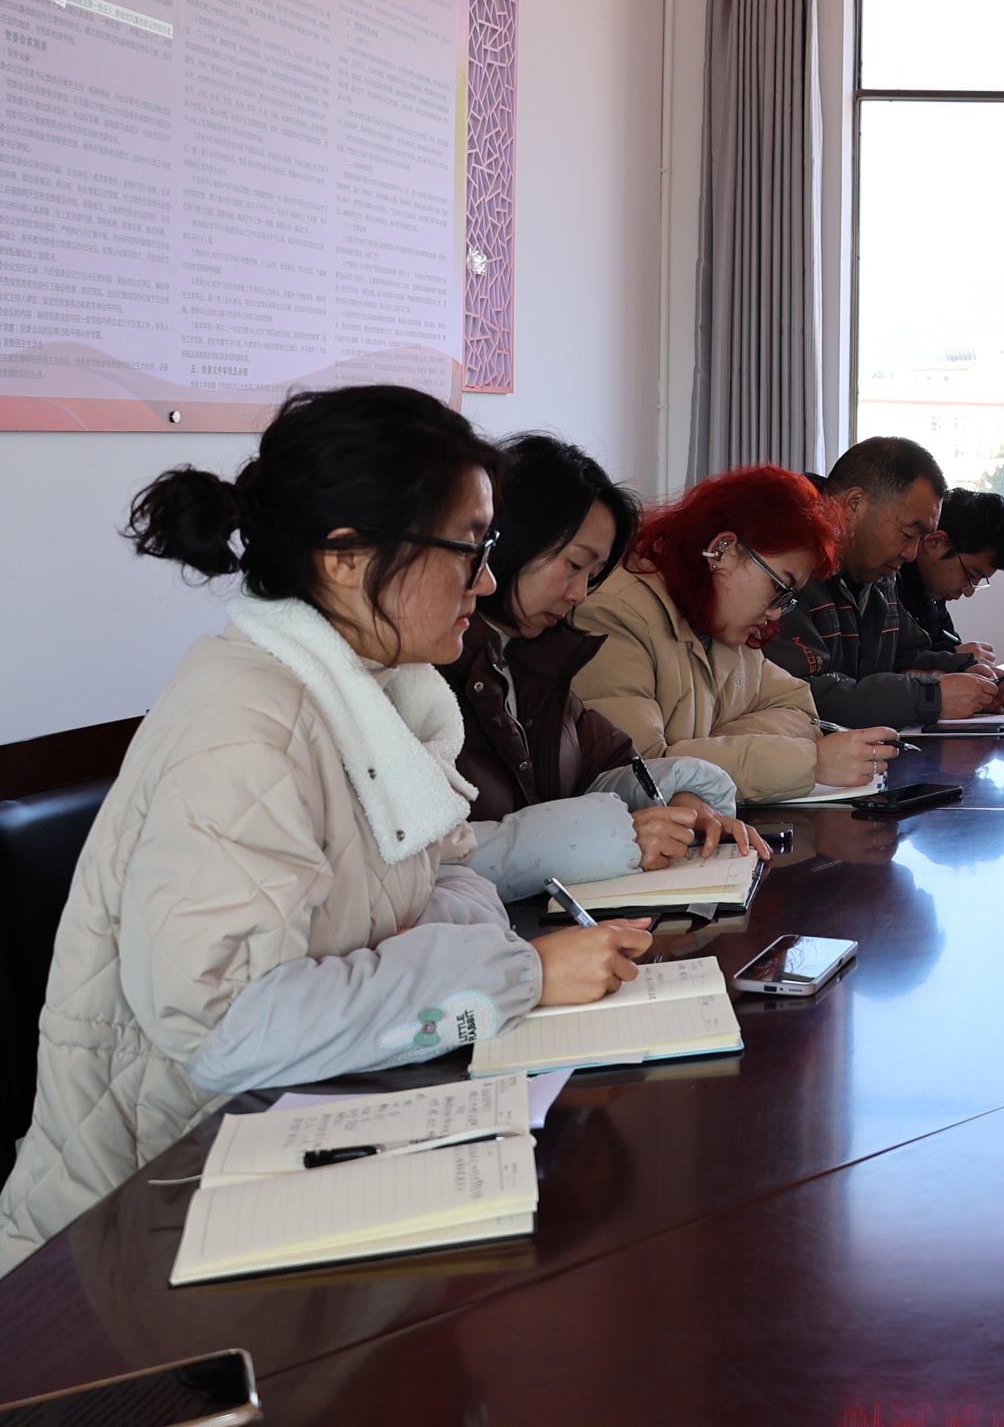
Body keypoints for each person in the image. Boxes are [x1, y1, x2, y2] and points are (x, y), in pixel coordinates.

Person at [0, 387, 652, 1273]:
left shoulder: (379, 693)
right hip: (143, 1222)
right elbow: (232, 1031)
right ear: (346, 557)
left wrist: (437, 951)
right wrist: (514, 975)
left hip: (291, 1135)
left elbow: (454, 883)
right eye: (469, 549)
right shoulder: (248, 723)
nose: (486, 581)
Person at [439, 434, 766, 892]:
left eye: (592, 576)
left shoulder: (537, 658)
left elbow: (608, 770)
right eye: (574, 565)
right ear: (512, 536)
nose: (579, 594)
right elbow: (426, 861)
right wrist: (618, 836)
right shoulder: (430, 668)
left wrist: (682, 800)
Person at [571, 466, 898, 802]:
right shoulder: (615, 613)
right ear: (723, 549)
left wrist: (706, 748)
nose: (775, 613)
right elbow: (640, 775)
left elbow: (799, 710)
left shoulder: (723, 622)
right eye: (779, 587)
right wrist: (807, 763)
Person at [771, 437, 1004, 728]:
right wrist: (931, 698)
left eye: (921, 539)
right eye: (908, 534)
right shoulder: (787, 564)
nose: (911, 555)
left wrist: (969, 673)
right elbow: (801, 694)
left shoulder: (880, 575)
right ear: (854, 504)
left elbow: (902, 658)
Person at [897, 486, 1004, 672]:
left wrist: (983, 673)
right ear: (935, 542)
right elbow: (884, 667)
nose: (969, 592)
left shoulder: (932, 594)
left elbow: (948, 645)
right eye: (971, 575)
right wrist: (955, 657)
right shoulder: (887, 584)